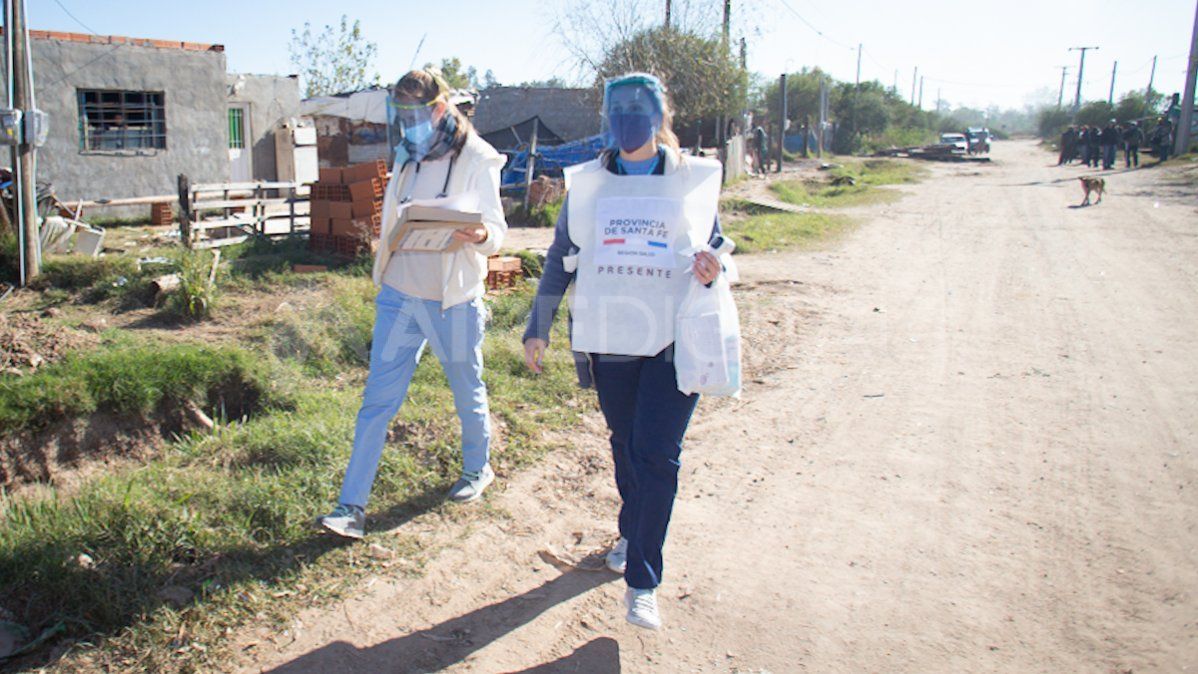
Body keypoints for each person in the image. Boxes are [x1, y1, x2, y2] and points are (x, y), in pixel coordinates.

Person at [522, 72, 726, 631]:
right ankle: (633, 531)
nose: (627, 121)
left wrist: (715, 267)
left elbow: (717, 247)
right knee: (626, 444)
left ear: (661, 116)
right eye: (618, 110)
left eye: (639, 110)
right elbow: (561, 256)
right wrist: (538, 326)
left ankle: (643, 581)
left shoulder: (692, 180)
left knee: (656, 453)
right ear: (606, 117)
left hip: (672, 339)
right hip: (610, 339)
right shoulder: (589, 184)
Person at [317, 69, 508, 539]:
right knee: (376, 402)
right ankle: (350, 507)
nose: (408, 123)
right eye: (401, 114)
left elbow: (497, 232)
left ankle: (477, 468)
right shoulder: (407, 155)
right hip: (400, 294)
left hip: (451, 300)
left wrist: (478, 234)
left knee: (466, 388)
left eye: (415, 114)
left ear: (439, 109)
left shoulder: (477, 157)